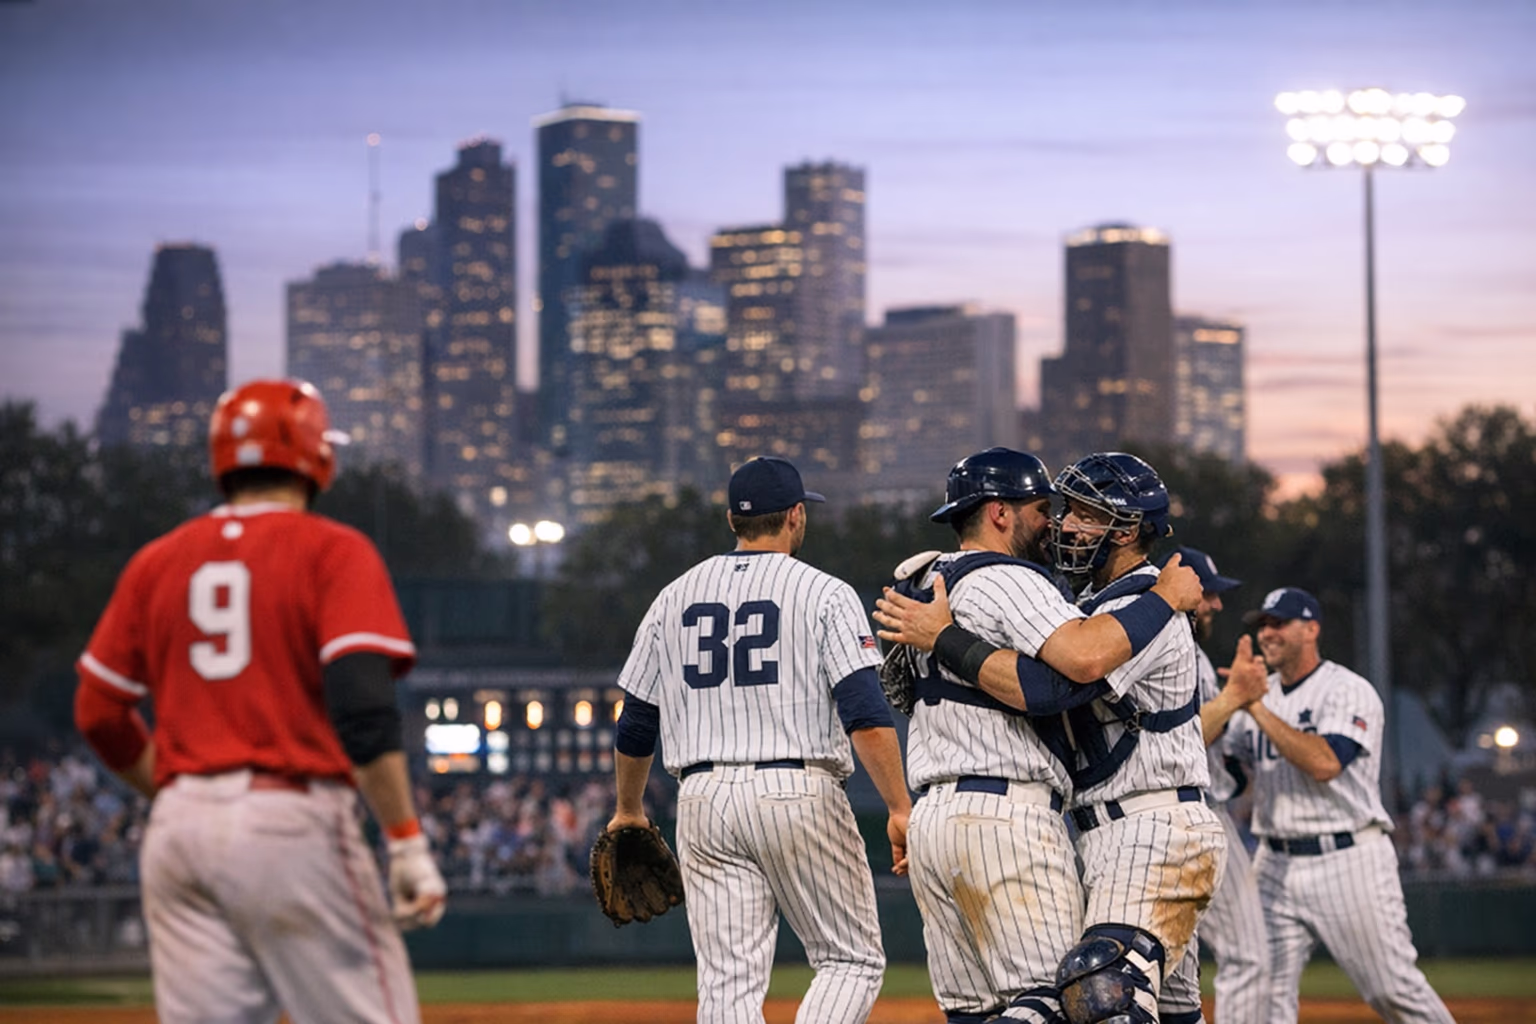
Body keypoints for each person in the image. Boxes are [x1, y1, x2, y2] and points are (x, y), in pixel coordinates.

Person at [74, 379, 445, 1024]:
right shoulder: (333, 549)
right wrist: (405, 840)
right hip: (289, 821)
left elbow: (98, 713)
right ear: (315, 455)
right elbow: (362, 706)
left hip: (178, 832)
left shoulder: (157, 562)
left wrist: (176, 792)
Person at [875, 453, 1220, 1024]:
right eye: (1052, 510)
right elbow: (1058, 678)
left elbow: (1065, 674)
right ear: (999, 514)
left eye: (1081, 514)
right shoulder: (1049, 594)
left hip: (1144, 826)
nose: (1060, 524)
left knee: (1096, 998)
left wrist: (944, 636)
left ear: (1128, 528)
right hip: (1038, 822)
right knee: (1103, 1008)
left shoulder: (1140, 601)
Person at [603, 456, 911, 1024]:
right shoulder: (825, 592)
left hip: (703, 798)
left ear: (730, 520)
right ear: (796, 516)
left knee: (726, 985)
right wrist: (898, 806)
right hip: (797, 790)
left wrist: (628, 810)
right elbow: (865, 713)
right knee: (850, 960)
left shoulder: (674, 596)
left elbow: (637, 722)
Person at [1217, 587, 1454, 1024]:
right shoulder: (1257, 691)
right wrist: (1226, 702)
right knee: (1258, 985)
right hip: (1273, 861)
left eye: (1278, 623)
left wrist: (1254, 707)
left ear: (1311, 629)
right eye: (1262, 625)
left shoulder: (1347, 690)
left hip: (1346, 856)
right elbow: (1227, 770)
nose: (1267, 633)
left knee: (1391, 989)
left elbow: (1325, 763)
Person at [1167, 546, 1271, 1024]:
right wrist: (1236, 697)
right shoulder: (1175, 648)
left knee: (1164, 967)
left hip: (1165, 813)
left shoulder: (1191, 654)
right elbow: (1183, 740)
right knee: (1247, 953)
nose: (1216, 604)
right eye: (1207, 593)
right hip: (1192, 812)